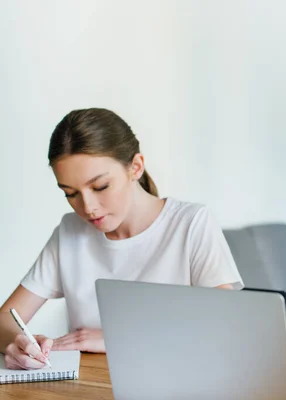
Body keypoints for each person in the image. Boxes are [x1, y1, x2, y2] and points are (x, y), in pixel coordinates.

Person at [0, 108, 243, 369]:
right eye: (70, 193)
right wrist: (18, 343)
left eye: (100, 187)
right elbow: (6, 318)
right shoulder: (70, 232)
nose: (88, 207)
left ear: (136, 167)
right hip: (92, 386)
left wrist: (118, 339)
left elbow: (226, 328)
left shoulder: (191, 224)